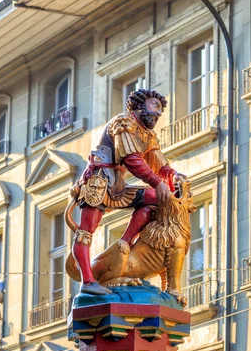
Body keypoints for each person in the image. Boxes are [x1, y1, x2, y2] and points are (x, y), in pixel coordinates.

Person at [71, 88, 184, 295]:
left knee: (157, 202)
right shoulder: (124, 122)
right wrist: (157, 182)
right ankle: (88, 280)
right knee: (86, 231)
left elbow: (159, 162)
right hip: (99, 182)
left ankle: (125, 244)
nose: (158, 114)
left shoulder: (147, 134)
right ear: (140, 106)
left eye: (160, 110)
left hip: (118, 185)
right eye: (154, 107)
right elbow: (132, 159)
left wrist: (173, 174)